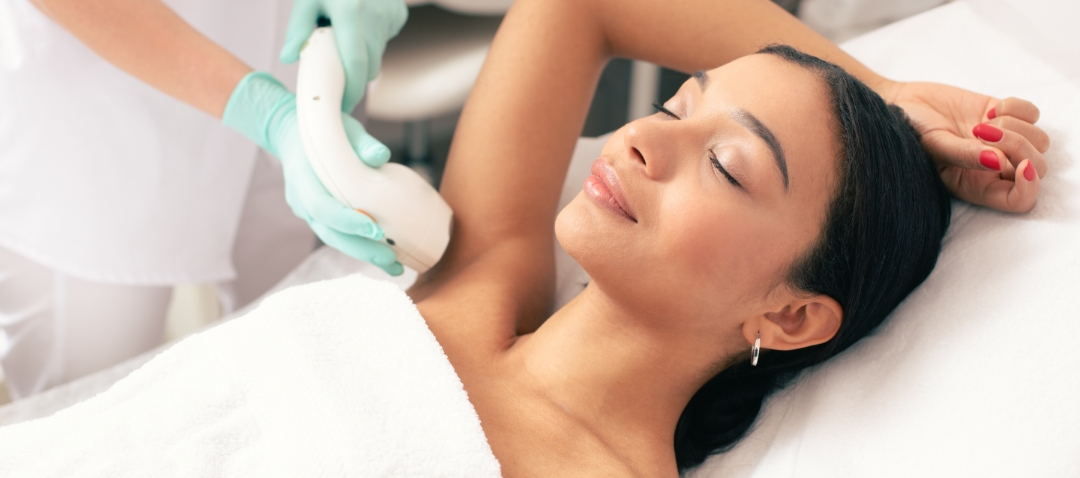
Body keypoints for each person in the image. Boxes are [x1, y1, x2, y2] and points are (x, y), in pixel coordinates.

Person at [403, 0, 1049, 475]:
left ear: (790, 314)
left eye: (725, 166)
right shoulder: (481, 271)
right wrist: (888, 93)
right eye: (674, 108)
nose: (639, 139)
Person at [0, 0, 407, 399]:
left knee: (292, 357)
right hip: (92, 120)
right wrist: (265, 112)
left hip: (286, 65)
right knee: (91, 403)